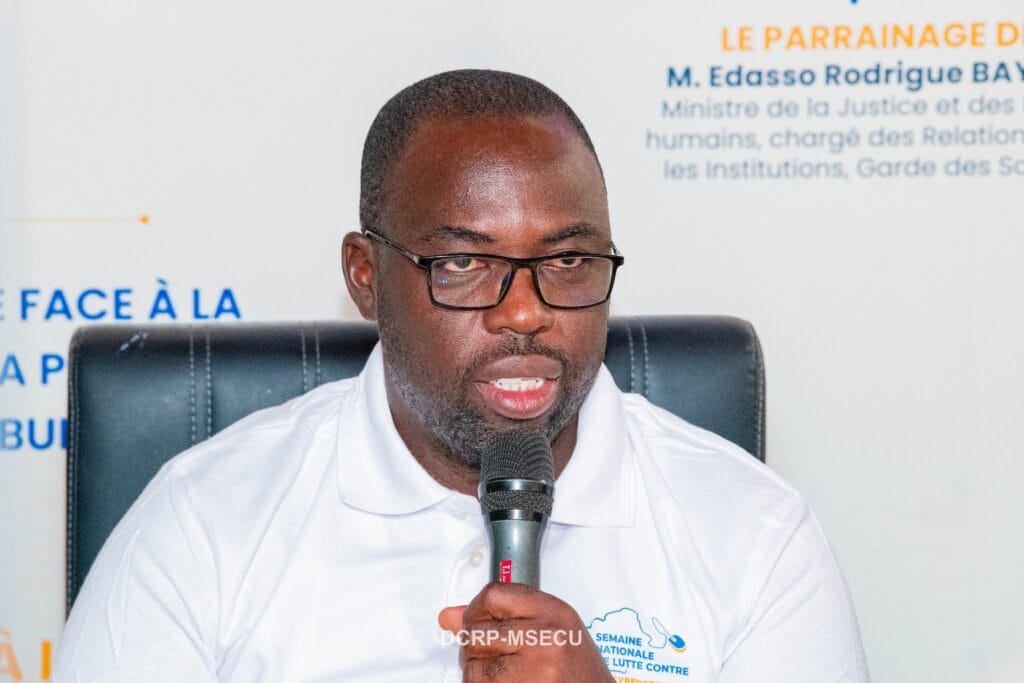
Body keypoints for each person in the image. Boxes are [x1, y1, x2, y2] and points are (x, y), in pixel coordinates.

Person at [55, 69, 869, 682]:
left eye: (568, 259)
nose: (524, 312)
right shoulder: (206, 521)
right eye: (465, 263)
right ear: (366, 276)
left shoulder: (754, 535)